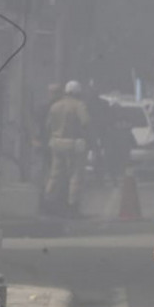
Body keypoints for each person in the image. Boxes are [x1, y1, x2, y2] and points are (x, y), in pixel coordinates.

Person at [44, 80, 90, 216]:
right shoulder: (79, 105)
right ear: (78, 93)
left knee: (55, 175)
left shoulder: (55, 106)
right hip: (73, 143)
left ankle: (48, 202)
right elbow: (86, 122)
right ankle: (72, 206)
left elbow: (48, 125)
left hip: (56, 143)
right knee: (75, 176)